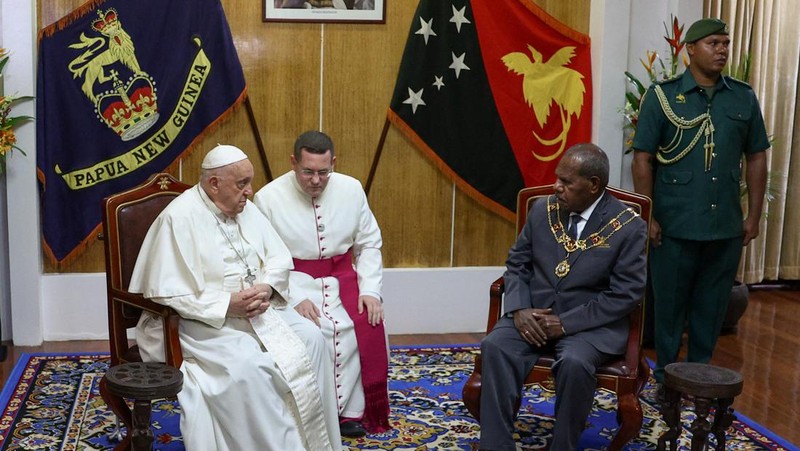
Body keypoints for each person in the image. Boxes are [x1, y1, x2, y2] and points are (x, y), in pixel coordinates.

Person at [128, 144, 343, 450]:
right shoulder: (179, 218)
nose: (250, 192)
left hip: (259, 312)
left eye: (249, 182)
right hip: (201, 324)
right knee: (249, 368)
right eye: (242, 184)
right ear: (214, 184)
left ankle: (315, 445)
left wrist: (267, 287)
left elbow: (279, 259)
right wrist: (228, 305)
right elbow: (170, 293)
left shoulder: (247, 209)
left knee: (312, 338)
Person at [479, 143, 647, 450]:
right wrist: (519, 309)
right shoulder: (542, 210)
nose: (556, 187)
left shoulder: (629, 228)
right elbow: (517, 264)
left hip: (590, 326)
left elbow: (626, 294)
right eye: (558, 178)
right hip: (534, 315)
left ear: (594, 185)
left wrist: (565, 323)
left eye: (566, 182)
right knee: (495, 345)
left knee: (574, 362)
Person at [631, 18, 769, 390]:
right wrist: (649, 214)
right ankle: (664, 379)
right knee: (670, 307)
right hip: (674, 224)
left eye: (725, 42)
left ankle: (699, 379)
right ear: (690, 49)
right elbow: (642, 157)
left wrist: (753, 215)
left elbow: (756, 156)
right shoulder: (663, 96)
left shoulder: (742, 96)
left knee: (711, 307)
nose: (722, 49)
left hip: (724, 224)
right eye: (713, 43)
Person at [253, 130, 390, 438]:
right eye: (308, 172)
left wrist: (370, 290)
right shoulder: (268, 198)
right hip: (294, 280)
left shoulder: (351, 189)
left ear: (334, 164)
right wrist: (289, 297)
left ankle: (351, 412)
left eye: (323, 172)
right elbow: (263, 261)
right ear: (293, 163)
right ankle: (315, 410)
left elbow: (369, 244)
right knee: (318, 329)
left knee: (364, 322)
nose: (315, 180)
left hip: (344, 277)